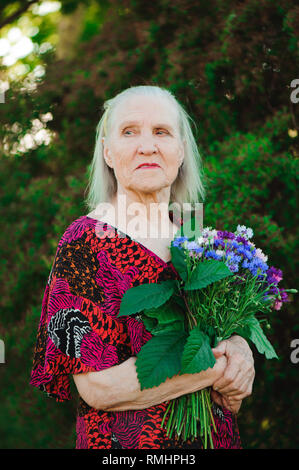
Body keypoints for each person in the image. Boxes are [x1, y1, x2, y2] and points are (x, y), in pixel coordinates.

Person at [29, 85, 255, 449]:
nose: (147, 145)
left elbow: (226, 360)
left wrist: (241, 349)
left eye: (162, 132)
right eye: (129, 131)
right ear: (108, 152)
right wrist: (214, 367)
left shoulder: (197, 240)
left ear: (180, 151)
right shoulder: (85, 244)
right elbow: (98, 388)